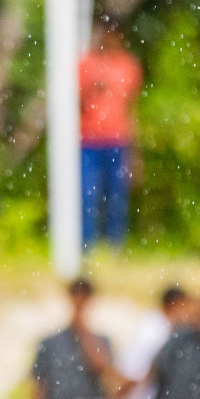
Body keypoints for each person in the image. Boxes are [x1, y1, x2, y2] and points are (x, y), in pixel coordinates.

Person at [78, 22, 143, 248]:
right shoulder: (86, 64)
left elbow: (132, 109)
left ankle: (115, 245)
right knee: (88, 196)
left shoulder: (128, 66)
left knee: (117, 197)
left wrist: (135, 151)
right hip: (88, 140)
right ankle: (87, 245)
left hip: (118, 140)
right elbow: (74, 101)